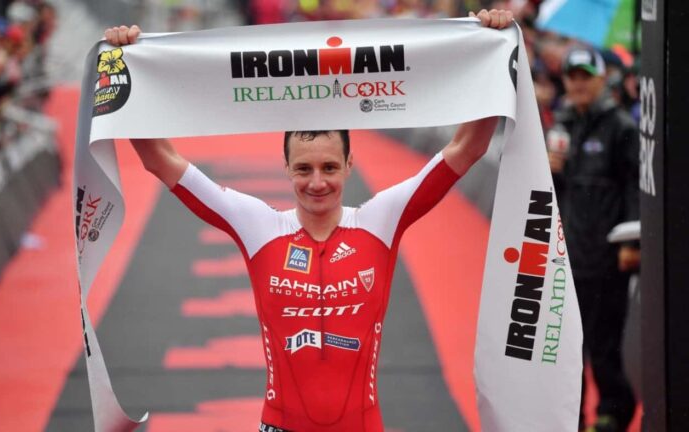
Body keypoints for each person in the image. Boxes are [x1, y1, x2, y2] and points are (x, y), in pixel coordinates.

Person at [105, 10, 513, 432]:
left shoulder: (381, 220)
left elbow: (467, 148)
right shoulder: (258, 225)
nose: (317, 183)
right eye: (303, 169)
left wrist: (492, 50)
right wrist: (126, 68)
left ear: (350, 165)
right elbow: (160, 159)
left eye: (329, 168)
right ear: (285, 168)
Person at [547, 47, 639, 432]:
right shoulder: (561, 124)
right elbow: (552, 192)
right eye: (573, 76)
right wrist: (551, 170)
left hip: (608, 256)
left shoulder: (621, 127)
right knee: (568, 348)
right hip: (568, 257)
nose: (579, 83)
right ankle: (575, 415)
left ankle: (613, 413)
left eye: (586, 75)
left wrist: (633, 242)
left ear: (603, 79)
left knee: (603, 345)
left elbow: (637, 187)